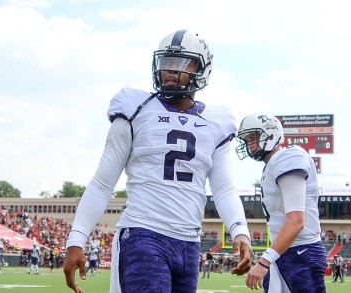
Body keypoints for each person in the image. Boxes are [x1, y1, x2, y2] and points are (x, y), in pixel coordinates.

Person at [64, 29, 254, 293]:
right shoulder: (136, 108)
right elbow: (103, 182)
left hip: (188, 243)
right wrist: (77, 239)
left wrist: (240, 231)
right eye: (166, 63)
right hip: (143, 234)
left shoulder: (217, 121)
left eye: (180, 64)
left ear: (202, 69)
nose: (170, 71)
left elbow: (223, 188)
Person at [236, 113, 327, 293]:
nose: (249, 144)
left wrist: (264, 262)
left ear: (271, 135)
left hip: (301, 251)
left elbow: (296, 222)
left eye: (253, 138)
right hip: (284, 252)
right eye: (247, 140)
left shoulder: (287, 158)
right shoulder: (272, 165)